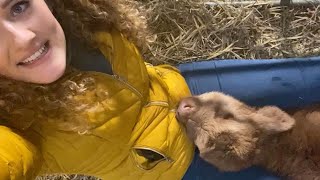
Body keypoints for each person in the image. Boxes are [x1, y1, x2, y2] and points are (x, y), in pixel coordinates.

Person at [2, 0, 313, 179]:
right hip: (174, 166)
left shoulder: (80, 14)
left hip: (185, 92)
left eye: (16, 7)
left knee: (305, 78)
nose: (22, 38)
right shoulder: (14, 125)